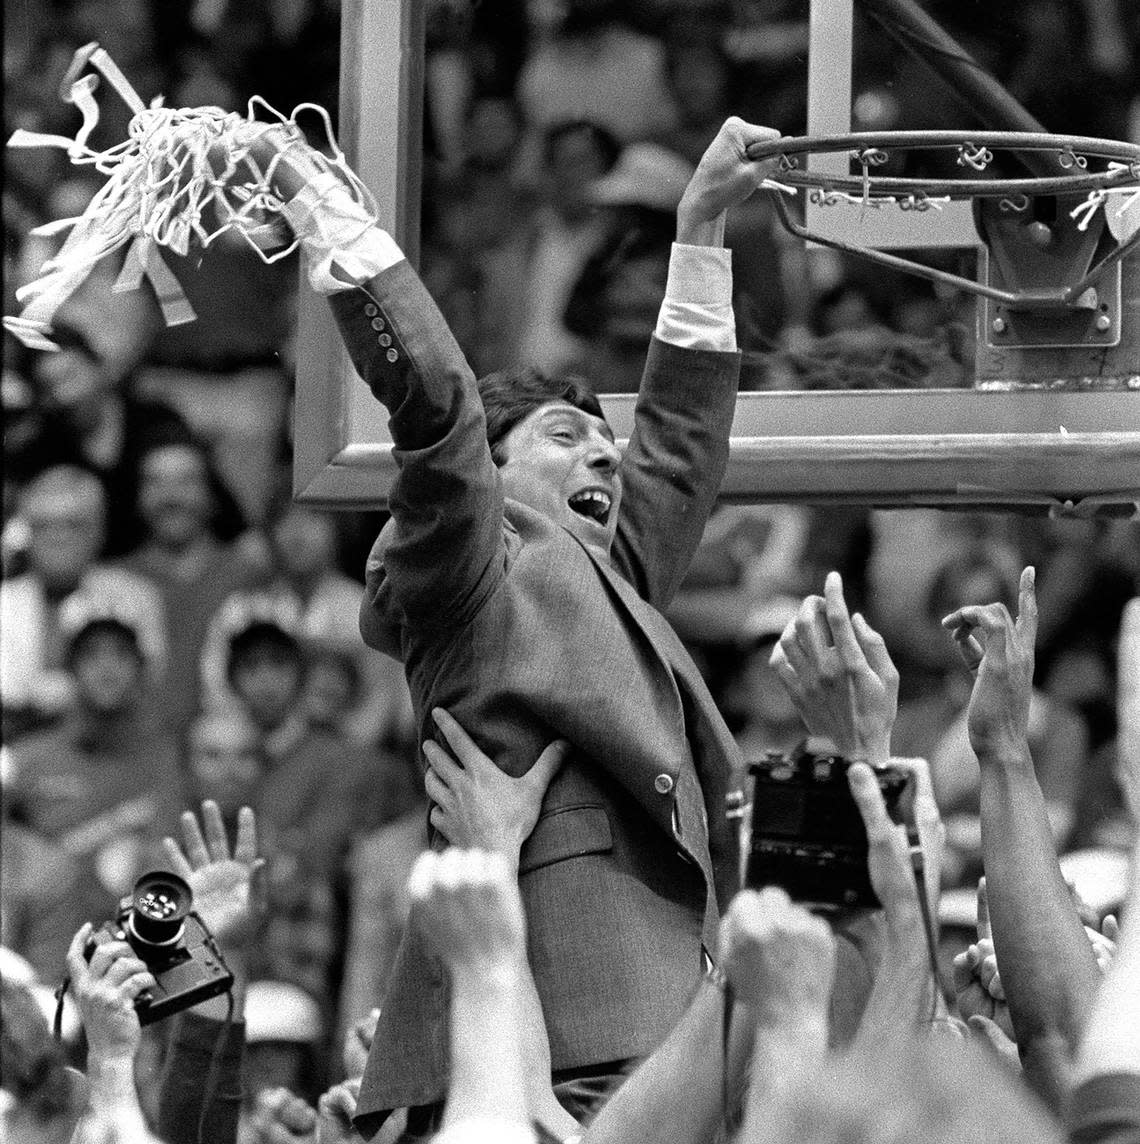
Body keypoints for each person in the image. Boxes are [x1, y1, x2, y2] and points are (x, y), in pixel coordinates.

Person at [249, 114, 783, 1136]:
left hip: (666, 1027)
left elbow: (677, 447)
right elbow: (438, 409)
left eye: (604, 441)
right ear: (490, 478)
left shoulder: (604, 579)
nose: (606, 458)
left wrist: (701, 223)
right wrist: (326, 212)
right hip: (571, 1032)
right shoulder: (471, 574)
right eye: (567, 435)